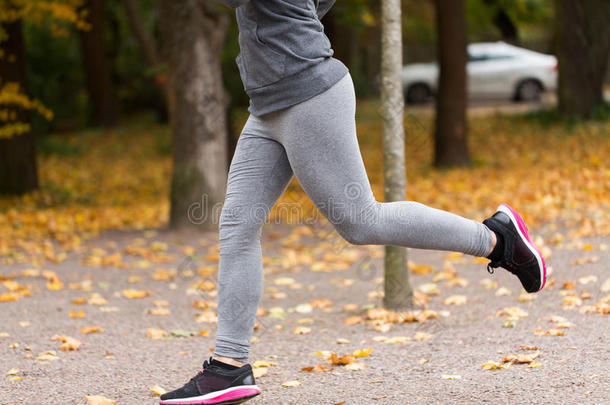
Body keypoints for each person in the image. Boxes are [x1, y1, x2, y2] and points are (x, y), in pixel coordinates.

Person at [160, 0, 546, 404]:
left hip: (306, 95)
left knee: (362, 221)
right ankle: (228, 367)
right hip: (268, 104)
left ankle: (497, 240)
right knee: (237, 226)